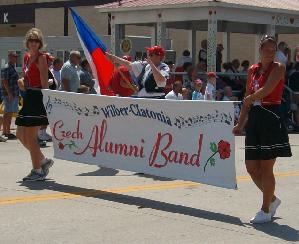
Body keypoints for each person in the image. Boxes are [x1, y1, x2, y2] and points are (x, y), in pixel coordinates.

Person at [233, 35, 292, 224]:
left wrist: (250, 99)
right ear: (260, 50)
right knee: (251, 167)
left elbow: (267, 90)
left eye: (273, 50)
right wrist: (240, 123)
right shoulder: (253, 69)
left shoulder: (279, 68)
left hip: (271, 117)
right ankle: (272, 199)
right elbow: (246, 97)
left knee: (267, 167)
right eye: (267, 49)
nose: (270, 53)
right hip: (255, 119)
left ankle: (265, 209)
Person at [15, 28, 54, 181]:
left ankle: (37, 170)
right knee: (19, 134)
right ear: (27, 42)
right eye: (31, 40)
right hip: (29, 96)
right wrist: (21, 81)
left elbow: (44, 81)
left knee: (31, 137)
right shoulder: (26, 58)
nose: (33, 43)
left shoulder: (41, 58)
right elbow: (25, 77)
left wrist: (47, 100)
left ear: (40, 43)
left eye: (36, 40)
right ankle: (43, 160)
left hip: (38, 97)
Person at [1, 52, 19, 139]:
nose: (16, 58)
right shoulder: (6, 67)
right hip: (9, 94)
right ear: (9, 57)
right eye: (14, 57)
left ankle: (7, 131)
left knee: (10, 112)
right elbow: (4, 81)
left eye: (16, 57)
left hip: (13, 93)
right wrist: (9, 93)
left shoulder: (12, 67)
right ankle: (5, 132)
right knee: (7, 113)